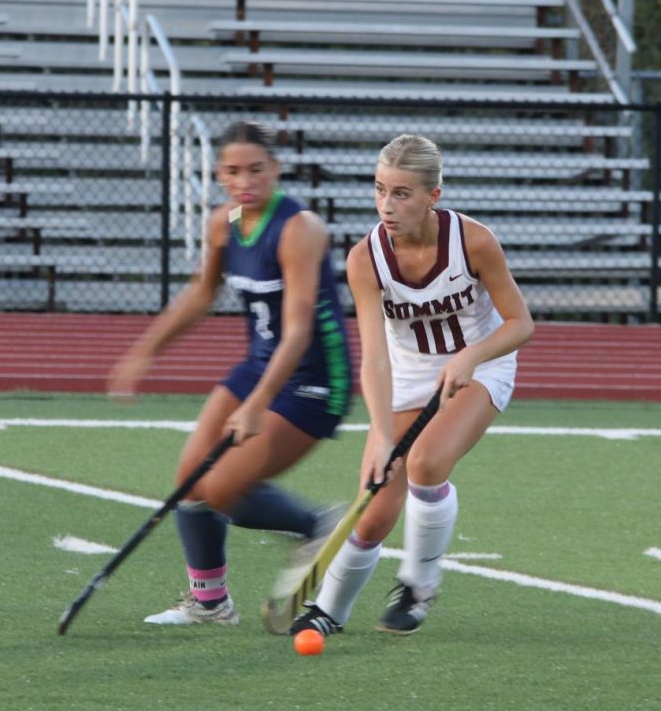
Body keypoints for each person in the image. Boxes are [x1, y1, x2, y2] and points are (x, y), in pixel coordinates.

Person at [107, 120, 352, 626]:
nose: (246, 181)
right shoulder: (226, 220)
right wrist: (145, 351)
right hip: (260, 364)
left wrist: (257, 404)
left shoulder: (298, 229)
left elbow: (299, 330)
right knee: (190, 479)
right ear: (219, 174)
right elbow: (202, 292)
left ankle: (317, 525)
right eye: (234, 171)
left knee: (222, 489)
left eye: (257, 170)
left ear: (276, 170)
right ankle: (211, 603)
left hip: (315, 377)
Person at [289, 134, 534, 636]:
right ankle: (330, 609)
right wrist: (380, 435)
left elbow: (520, 324)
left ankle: (419, 585)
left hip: (482, 363)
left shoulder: (474, 242)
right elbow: (375, 358)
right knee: (373, 509)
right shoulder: (366, 258)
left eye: (401, 193)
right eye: (380, 190)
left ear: (433, 197)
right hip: (408, 372)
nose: (387, 205)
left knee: (425, 463)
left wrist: (472, 355)